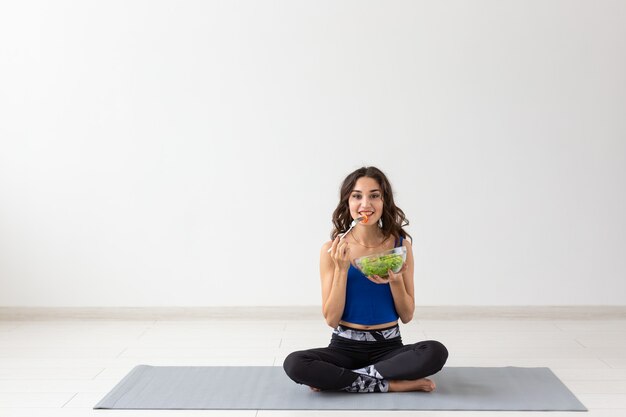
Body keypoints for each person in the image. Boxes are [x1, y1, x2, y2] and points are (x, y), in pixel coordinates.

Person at [283, 166, 448, 393]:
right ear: (348, 202)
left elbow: (407, 316)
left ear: (384, 201)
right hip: (343, 348)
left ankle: (347, 381)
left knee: (435, 352)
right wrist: (341, 270)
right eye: (357, 196)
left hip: (389, 348)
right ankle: (389, 384)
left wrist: (396, 281)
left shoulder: (400, 246)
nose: (365, 204)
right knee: (294, 363)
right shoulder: (331, 250)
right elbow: (332, 319)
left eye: (374, 196)